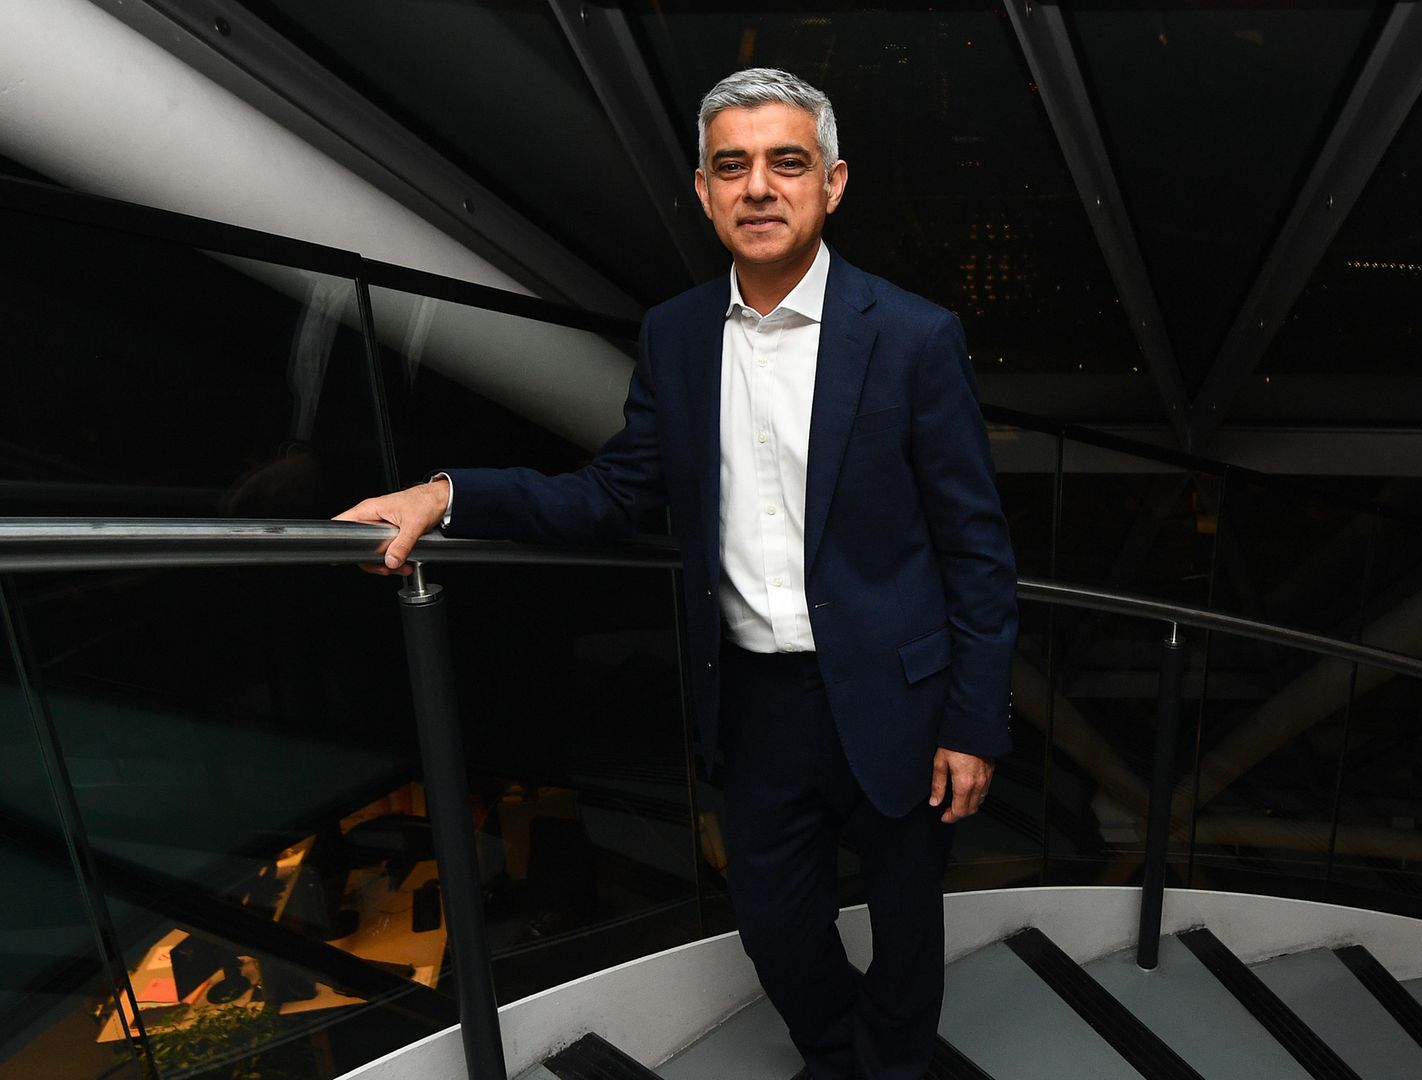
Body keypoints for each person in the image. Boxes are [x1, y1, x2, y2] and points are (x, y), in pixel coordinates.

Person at [336, 67, 1017, 1080]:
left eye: (786, 163)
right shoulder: (677, 334)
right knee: (778, 931)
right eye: (731, 166)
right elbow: (613, 493)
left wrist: (973, 719)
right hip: (757, 704)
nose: (758, 187)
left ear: (831, 183)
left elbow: (976, 545)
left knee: (909, 933)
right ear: (702, 193)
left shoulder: (915, 337)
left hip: (900, 697)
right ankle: (843, 1060)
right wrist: (448, 493)